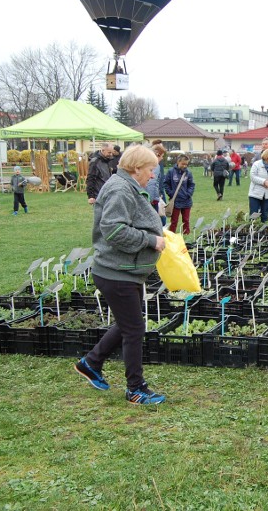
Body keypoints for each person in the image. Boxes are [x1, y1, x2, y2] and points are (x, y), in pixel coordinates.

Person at [74, 145, 166, 405]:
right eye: (150, 170)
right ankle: (135, 389)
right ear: (136, 168)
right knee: (134, 329)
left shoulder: (127, 185)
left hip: (126, 270)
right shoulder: (119, 188)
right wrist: (150, 240)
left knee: (128, 324)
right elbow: (114, 231)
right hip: (116, 273)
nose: (152, 176)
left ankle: (91, 362)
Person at [163, 154, 195, 234]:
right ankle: (171, 235)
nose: (184, 166)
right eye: (183, 164)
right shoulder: (171, 172)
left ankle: (186, 234)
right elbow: (166, 184)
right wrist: (171, 193)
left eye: (186, 164)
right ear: (178, 162)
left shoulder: (188, 173)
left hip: (186, 200)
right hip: (175, 201)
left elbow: (191, 184)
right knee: (174, 221)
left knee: (186, 220)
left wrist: (188, 194)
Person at [249, 148, 268, 222]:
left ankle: (263, 231)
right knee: (254, 214)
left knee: (265, 214)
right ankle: (252, 229)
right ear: (266, 156)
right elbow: (252, 176)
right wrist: (264, 182)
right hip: (255, 194)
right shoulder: (257, 164)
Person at [146, 144, 166, 226]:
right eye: (162, 156)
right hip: (152, 199)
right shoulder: (155, 165)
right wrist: (153, 199)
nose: (162, 158)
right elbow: (152, 183)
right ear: (158, 154)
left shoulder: (148, 163)